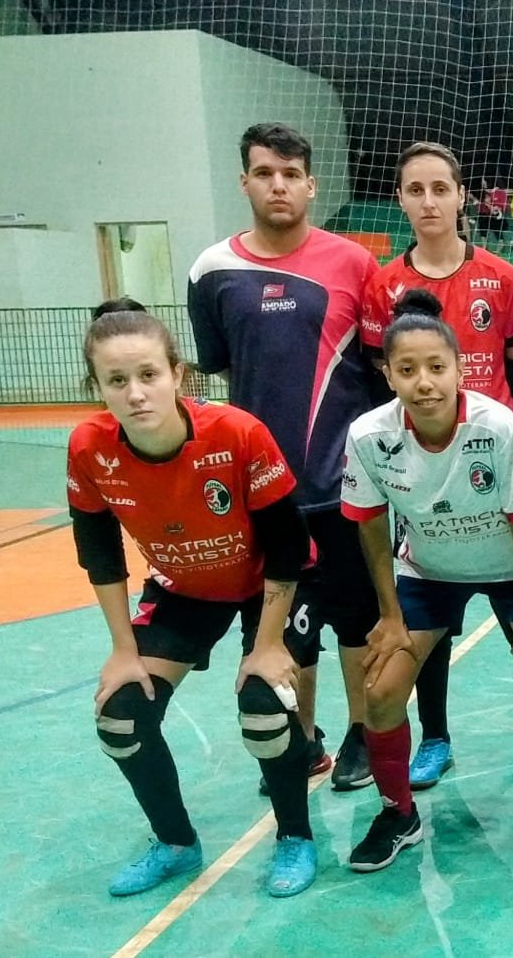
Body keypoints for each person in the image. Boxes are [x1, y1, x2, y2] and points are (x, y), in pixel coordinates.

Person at [340, 293, 513, 871]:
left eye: (437, 367)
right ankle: (397, 812)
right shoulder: (368, 435)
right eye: (407, 369)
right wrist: (388, 613)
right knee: (379, 692)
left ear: (460, 368)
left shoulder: (500, 427)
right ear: (388, 374)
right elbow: (371, 526)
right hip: (429, 570)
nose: (425, 381)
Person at [71, 300, 319, 898]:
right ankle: (176, 843)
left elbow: (288, 546)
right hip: (185, 587)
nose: (135, 393)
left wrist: (265, 646)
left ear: (177, 374)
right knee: (120, 718)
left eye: (148, 374)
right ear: (97, 385)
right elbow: (100, 556)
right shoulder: (89, 447)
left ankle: (295, 837)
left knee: (264, 706)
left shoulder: (236, 432)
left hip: (270, 583)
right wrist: (123, 651)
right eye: (117, 380)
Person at [188, 122, 381, 793]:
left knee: (359, 625)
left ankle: (363, 733)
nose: (279, 184)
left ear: (311, 183)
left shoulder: (355, 265)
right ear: (244, 180)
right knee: (283, 638)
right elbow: (217, 366)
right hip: (263, 498)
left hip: (343, 488)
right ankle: (305, 741)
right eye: (265, 172)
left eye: (291, 173)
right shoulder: (212, 271)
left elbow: (379, 371)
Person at [360, 142, 513, 788]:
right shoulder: (383, 284)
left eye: (441, 188)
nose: (430, 201)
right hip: (424, 478)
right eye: (416, 190)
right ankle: (434, 738)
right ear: (401, 199)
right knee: (429, 626)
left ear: (462, 195)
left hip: (494, 469)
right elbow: (372, 377)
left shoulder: (501, 275)